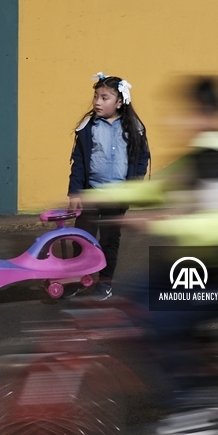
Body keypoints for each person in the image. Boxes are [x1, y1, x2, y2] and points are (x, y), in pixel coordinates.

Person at [82, 75, 218, 435]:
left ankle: (191, 410)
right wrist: (96, 197)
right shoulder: (205, 153)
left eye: (189, 114)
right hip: (205, 267)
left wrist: (167, 222)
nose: (181, 123)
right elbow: (161, 188)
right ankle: (200, 370)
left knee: (155, 316)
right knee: (132, 295)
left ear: (213, 116)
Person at [68, 73, 151, 299]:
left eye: (105, 98)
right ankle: (79, 279)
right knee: (82, 237)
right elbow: (79, 161)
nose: (97, 102)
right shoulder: (88, 127)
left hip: (117, 197)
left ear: (120, 102)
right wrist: (75, 191)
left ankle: (104, 282)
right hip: (91, 194)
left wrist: (134, 185)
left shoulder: (134, 127)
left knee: (109, 241)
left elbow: (142, 158)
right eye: (96, 96)